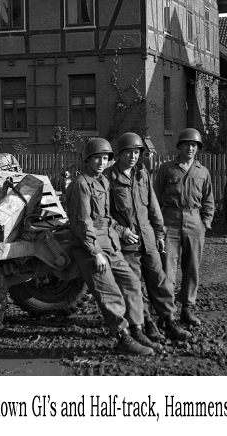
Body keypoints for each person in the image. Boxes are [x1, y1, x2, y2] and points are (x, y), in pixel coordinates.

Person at [65, 137, 153, 356]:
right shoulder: (81, 184)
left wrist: (122, 231)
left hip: (110, 243)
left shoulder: (103, 182)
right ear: (87, 160)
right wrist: (95, 252)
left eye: (105, 158)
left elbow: (106, 218)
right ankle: (123, 337)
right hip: (90, 247)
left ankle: (136, 329)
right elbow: (81, 222)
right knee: (110, 292)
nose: (101, 162)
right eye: (97, 158)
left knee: (132, 282)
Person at [104, 133, 192, 344]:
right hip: (128, 243)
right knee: (134, 287)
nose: (133, 156)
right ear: (120, 153)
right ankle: (146, 325)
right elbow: (103, 215)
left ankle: (168, 321)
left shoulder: (141, 174)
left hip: (148, 239)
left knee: (158, 281)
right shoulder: (108, 178)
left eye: (136, 152)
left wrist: (159, 233)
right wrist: (121, 230)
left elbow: (152, 206)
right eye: (129, 152)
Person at [154, 128, 214, 326]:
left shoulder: (202, 172)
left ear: (198, 149)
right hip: (170, 219)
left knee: (192, 267)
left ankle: (187, 308)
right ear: (179, 146)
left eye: (194, 145)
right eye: (187, 144)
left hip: (194, 221)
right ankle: (167, 312)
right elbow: (154, 197)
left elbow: (208, 200)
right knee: (167, 268)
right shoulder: (167, 169)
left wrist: (205, 223)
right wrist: (158, 224)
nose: (190, 148)